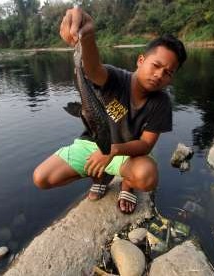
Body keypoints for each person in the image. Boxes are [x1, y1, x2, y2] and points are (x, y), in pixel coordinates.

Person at [32, 7, 186, 214]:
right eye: (156, 65)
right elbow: (93, 69)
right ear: (141, 61)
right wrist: (86, 37)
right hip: (92, 143)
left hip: (127, 153)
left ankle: (127, 184)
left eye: (168, 73)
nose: (159, 75)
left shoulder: (161, 103)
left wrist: (112, 152)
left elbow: (146, 144)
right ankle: (101, 175)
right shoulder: (114, 78)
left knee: (147, 176)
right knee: (42, 178)